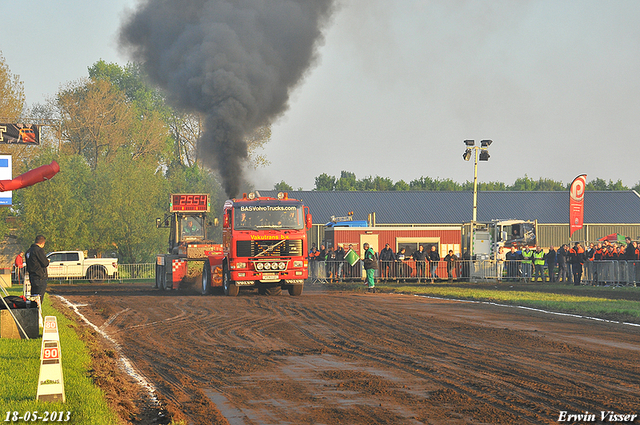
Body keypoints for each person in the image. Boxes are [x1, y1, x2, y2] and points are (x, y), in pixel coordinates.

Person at [25, 235, 49, 326]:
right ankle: (37, 319)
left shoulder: (28, 251)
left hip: (32, 277)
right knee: (38, 299)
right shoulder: (38, 250)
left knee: (34, 297)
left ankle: (33, 317)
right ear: (42, 243)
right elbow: (45, 263)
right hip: (40, 277)